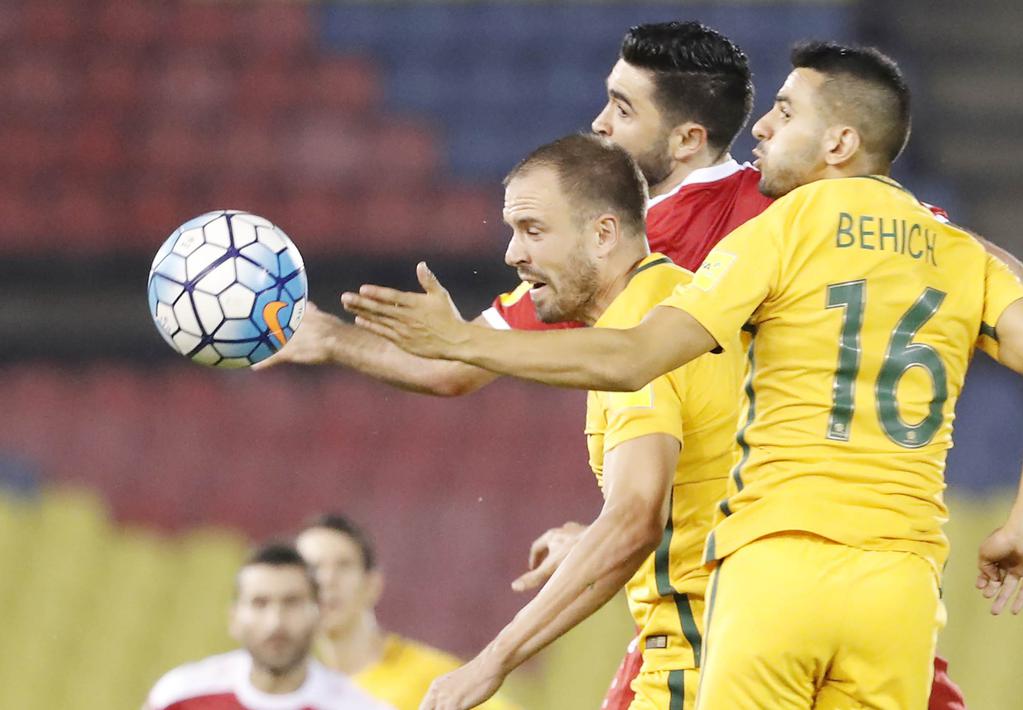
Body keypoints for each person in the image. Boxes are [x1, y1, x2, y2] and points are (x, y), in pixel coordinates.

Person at [342, 42, 1023, 709]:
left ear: (838, 142)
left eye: (784, 112)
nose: (761, 128)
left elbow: (634, 356)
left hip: (777, 564)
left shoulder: (776, 231)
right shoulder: (955, 250)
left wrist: (464, 343)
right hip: (903, 582)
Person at [254, 21, 1023, 449]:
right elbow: (455, 366)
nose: (599, 123)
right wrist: (330, 339)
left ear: (689, 137)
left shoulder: (775, 207)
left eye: (622, 108)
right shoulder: (602, 238)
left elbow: (973, 259)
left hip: (795, 523)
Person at [418, 134, 741, 710]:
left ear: (603, 234)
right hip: (754, 635)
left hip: (703, 659)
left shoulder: (636, 329)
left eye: (533, 230)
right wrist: (590, 538)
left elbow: (635, 517)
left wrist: (492, 661)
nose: (512, 254)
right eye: (513, 231)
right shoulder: (677, 302)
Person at [294, 514, 516, 710]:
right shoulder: (295, 691)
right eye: (313, 568)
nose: (327, 580)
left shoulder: (431, 678)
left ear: (373, 583)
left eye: (343, 566)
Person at [143, 543, 391, 710]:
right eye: (260, 603)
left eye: (292, 602)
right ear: (234, 618)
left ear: (318, 615)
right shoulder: (180, 696)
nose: (276, 623)